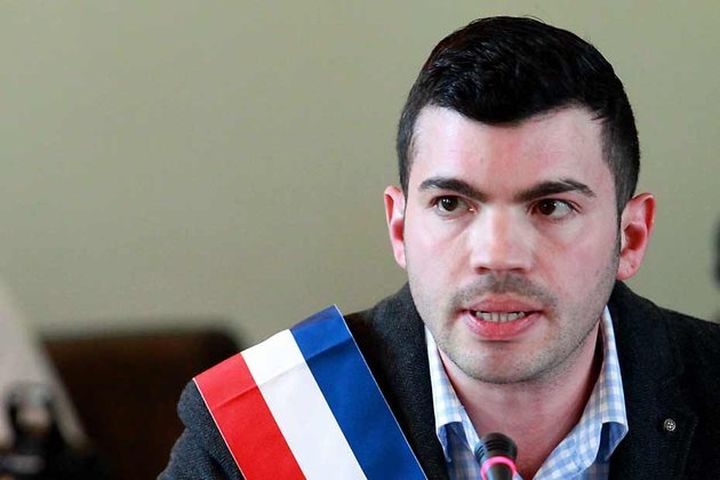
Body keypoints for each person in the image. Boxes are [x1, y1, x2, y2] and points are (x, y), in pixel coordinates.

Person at [160, 16, 720, 479]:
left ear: (631, 237)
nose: (497, 255)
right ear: (399, 228)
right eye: (452, 203)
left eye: (551, 207)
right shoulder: (262, 430)